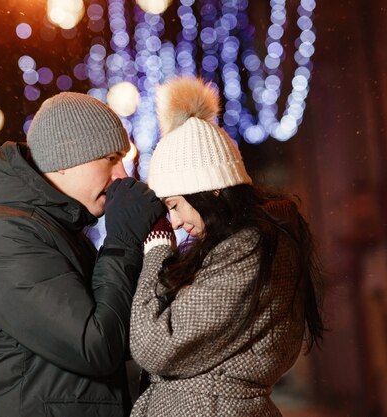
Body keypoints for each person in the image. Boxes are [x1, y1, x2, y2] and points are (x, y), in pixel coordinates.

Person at [0, 92, 164, 417]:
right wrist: (123, 240)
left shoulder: (57, 230)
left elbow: (122, 335)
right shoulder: (7, 234)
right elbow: (96, 345)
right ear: (65, 158)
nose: (122, 175)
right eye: (110, 158)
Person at [129, 77, 324, 416]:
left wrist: (156, 253)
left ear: (207, 190)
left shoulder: (245, 251)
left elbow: (153, 346)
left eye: (174, 205)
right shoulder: (243, 248)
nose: (173, 222)